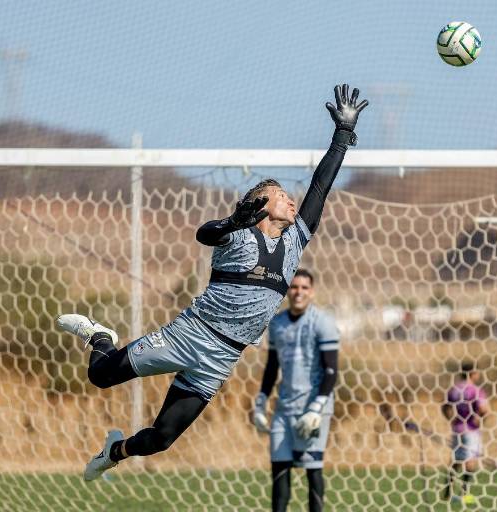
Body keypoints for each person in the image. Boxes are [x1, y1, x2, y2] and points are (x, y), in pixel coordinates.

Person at [55, 84, 368, 480]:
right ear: (259, 204)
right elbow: (205, 233)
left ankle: (114, 451)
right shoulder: (236, 234)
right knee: (100, 376)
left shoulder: (295, 241)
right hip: (190, 334)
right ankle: (100, 337)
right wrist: (233, 221)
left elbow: (321, 187)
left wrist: (342, 135)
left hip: (222, 358)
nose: (291, 201)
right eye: (281, 195)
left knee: (162, 438)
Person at [251, 268, 339, 512]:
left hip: (314, 409)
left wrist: (316, 409)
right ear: (288, 290)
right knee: (279, 471)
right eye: (294, 287)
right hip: (284, 408)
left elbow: (331, 371)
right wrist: (261, 401)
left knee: (313, 471)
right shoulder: (277, 324)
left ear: (312, 292)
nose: (298, 292)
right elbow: (272, 367)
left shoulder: (323, 323)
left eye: (304, 288)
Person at [441, 362, 488, 505]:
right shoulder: (475, 390)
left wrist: (451, 419)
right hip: (471, 429)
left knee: (456, 460)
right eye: (477, 372)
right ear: (472, 373)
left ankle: (447, 491)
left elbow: (445, 407)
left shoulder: (454, 389)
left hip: (457, 428)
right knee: (470, 462)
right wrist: (479, 418)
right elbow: (484, 408)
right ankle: (465, 495)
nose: (479, 375)